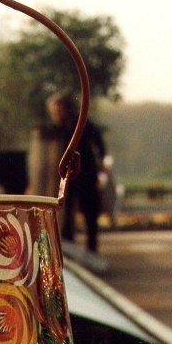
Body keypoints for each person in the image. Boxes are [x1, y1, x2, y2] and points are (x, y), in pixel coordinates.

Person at [45, 91, 106, 253]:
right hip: (66, 177)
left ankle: (92, 249)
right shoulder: (55, 129)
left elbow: (100, 145)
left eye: (59, 109)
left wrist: (101, 163)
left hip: (86, 173)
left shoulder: (82, 124)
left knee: (90, 212)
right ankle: (68, 248)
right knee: (65, 213)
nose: (56, 113)